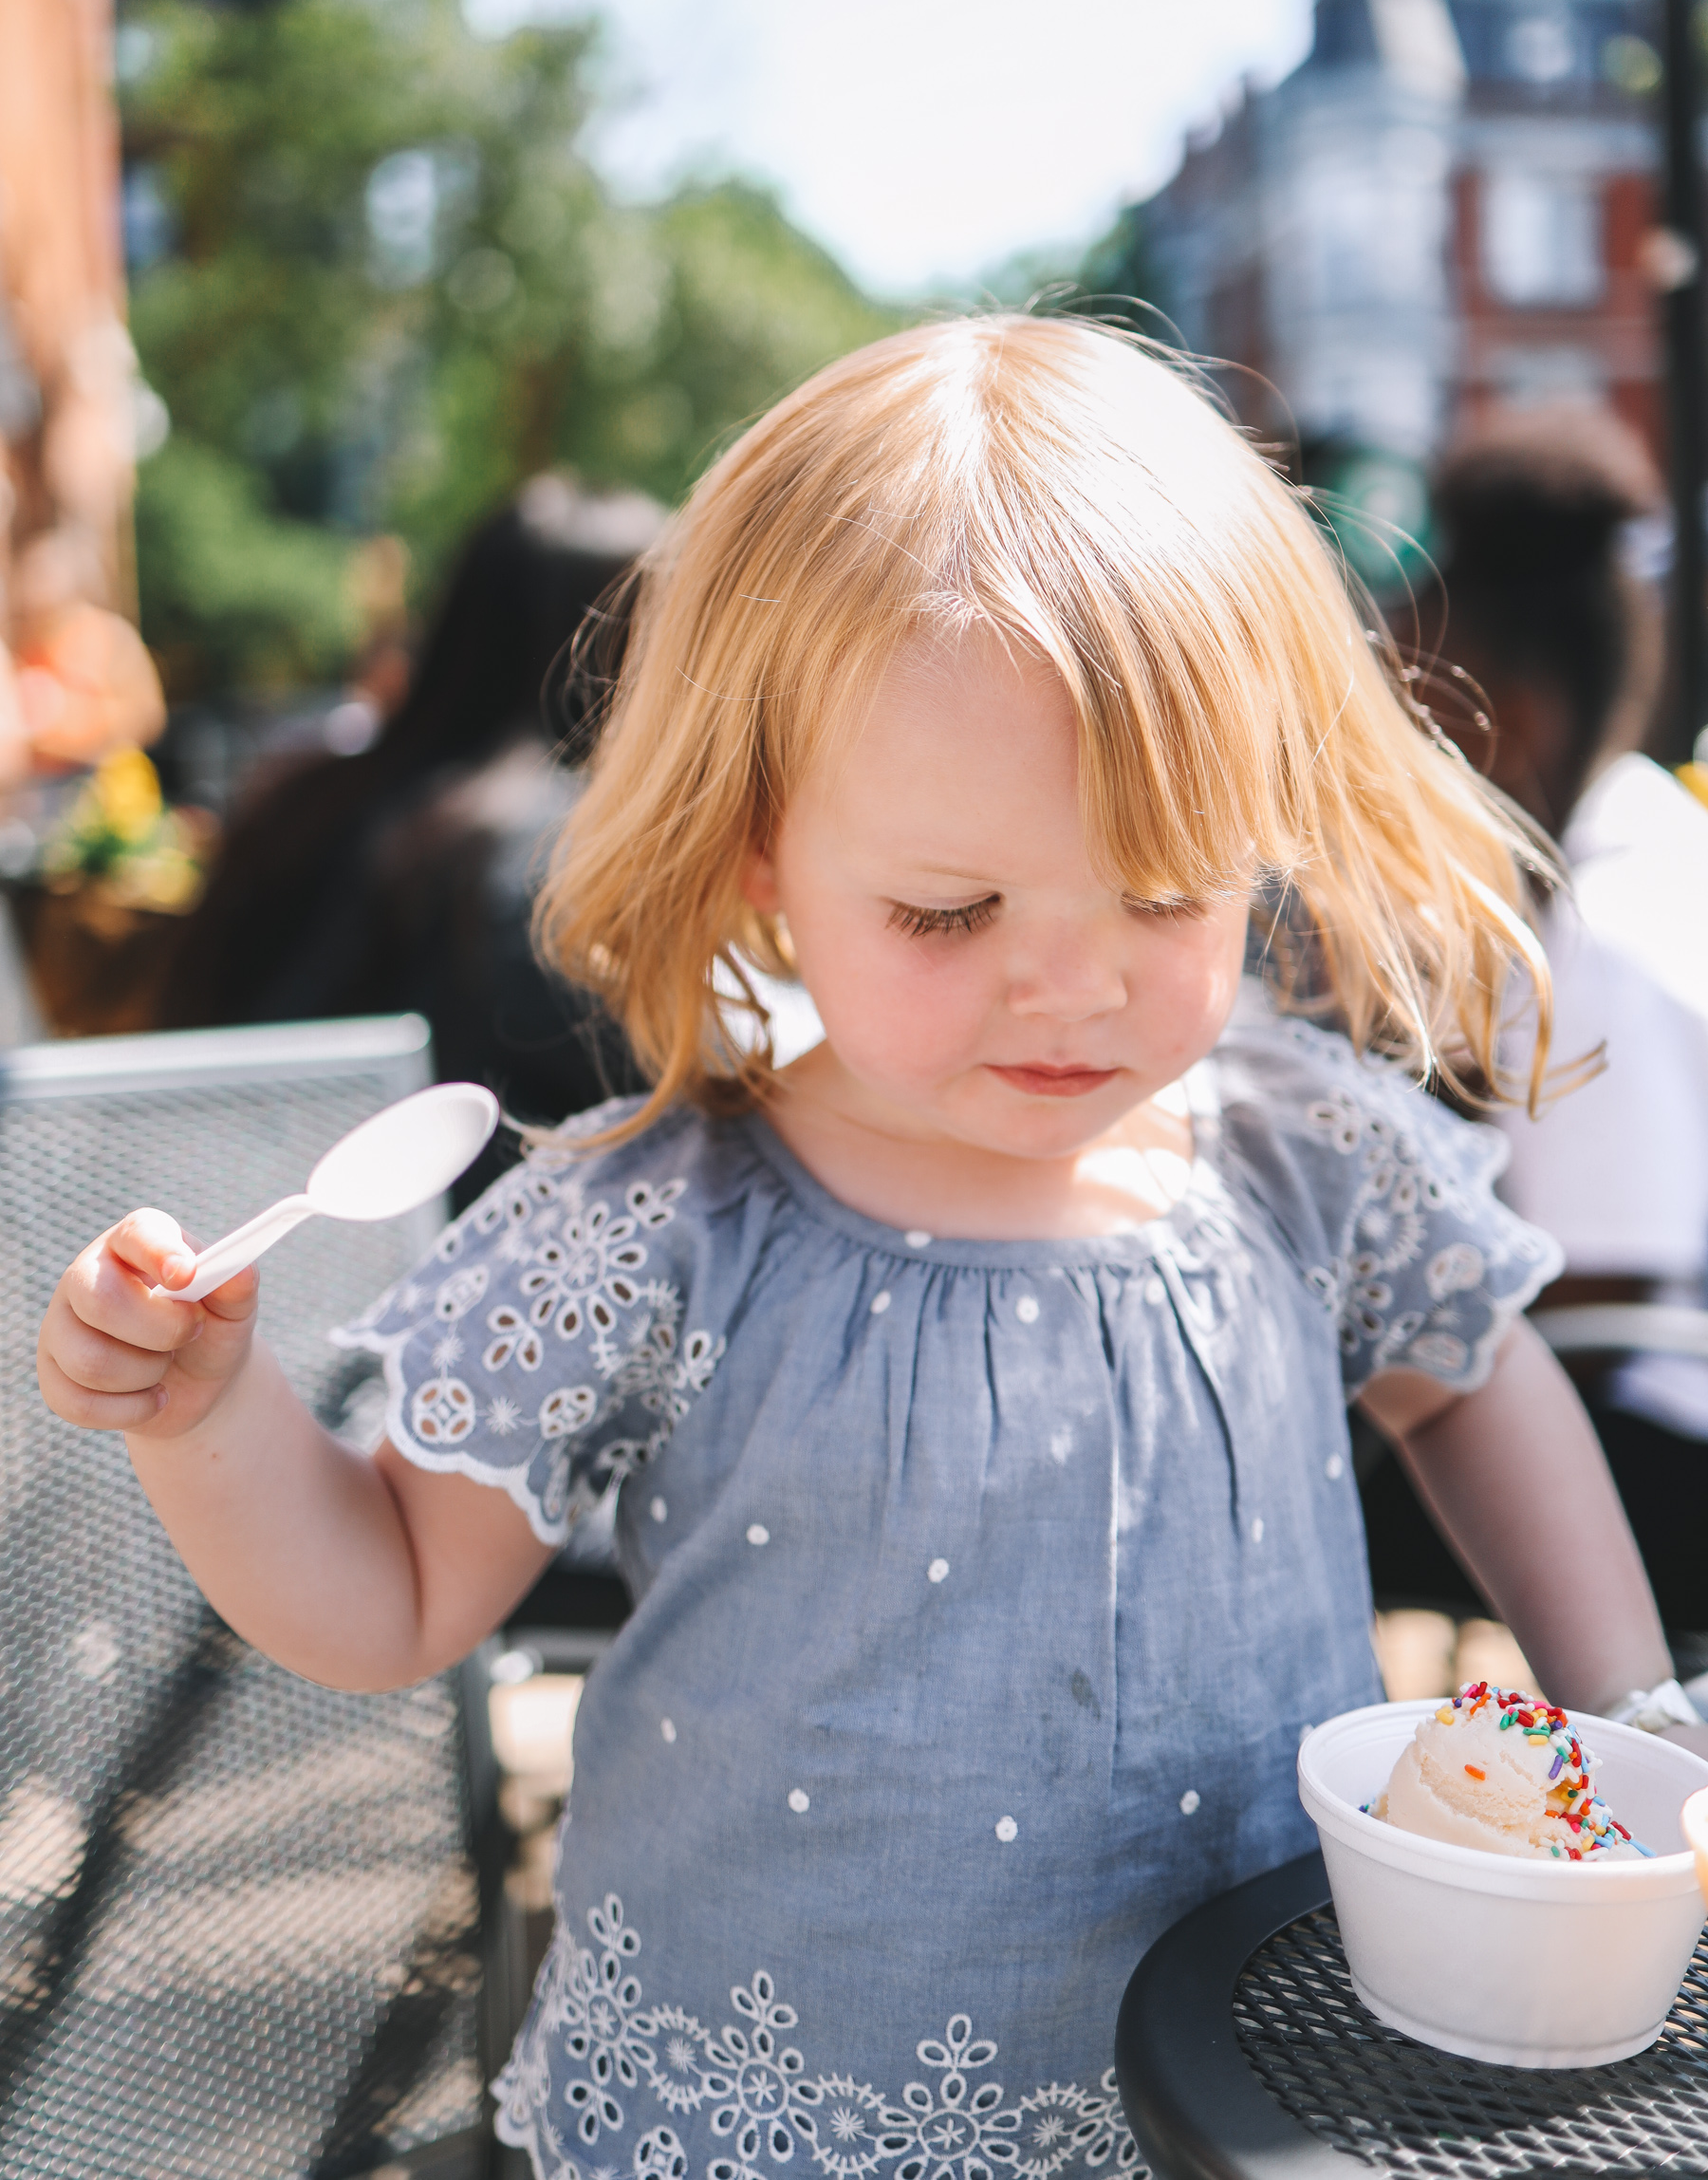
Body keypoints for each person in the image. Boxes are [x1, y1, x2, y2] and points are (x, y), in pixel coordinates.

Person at [36, 319, 1704, 2180]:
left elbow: (1469, 1374)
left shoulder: (1303, 1148)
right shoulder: (664, 1222)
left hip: (1240, 2093)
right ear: (761, 847)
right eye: (947, 908)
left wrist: (1619, 1725)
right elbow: (390, 1597)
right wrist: (206, 1413)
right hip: (772, 2122)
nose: (1065, 981)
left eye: (1164, 890)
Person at [1394, 408, 1708, 1630]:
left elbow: (1592, 1296)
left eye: (1411, 719)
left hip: (1670, 1442)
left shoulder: (1591, 944)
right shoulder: (1652, 827)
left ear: (1507, 721)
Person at [157, 475, 660, 1202]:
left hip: (227, 1241)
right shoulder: (561, 862)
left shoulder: (303, 802)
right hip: (458, 1284)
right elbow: (676, 1115)